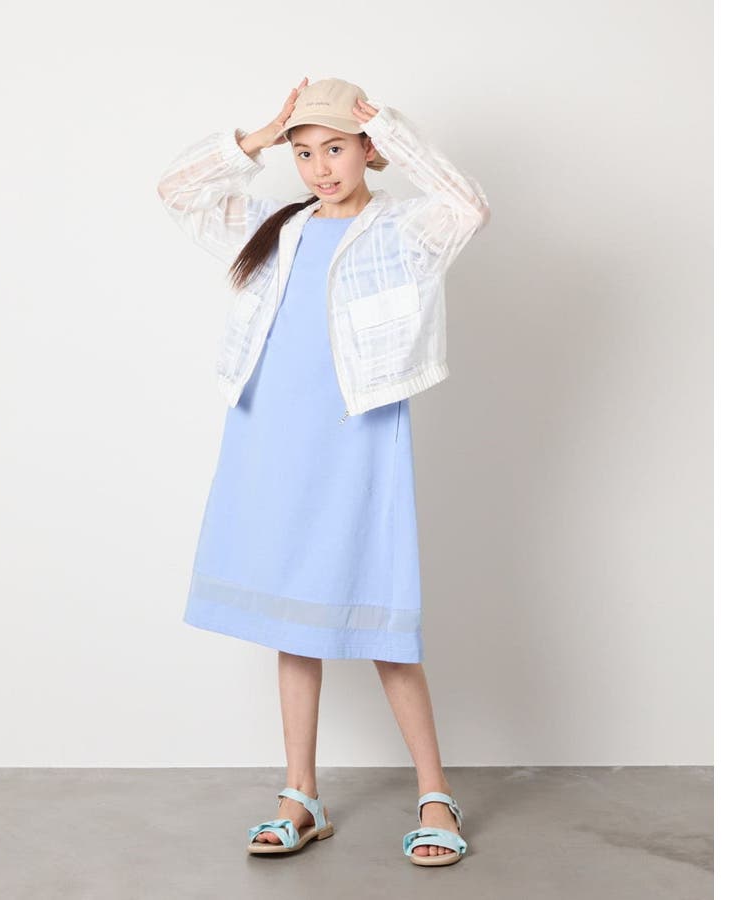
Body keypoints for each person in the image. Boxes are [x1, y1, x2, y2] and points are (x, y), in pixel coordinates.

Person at [156, 76, 489, 867]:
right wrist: (259, 134)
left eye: (335, 148)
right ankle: (300, 796)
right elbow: (175, 190)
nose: (319, 167)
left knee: (380, 617)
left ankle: (435, 793)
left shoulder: (403, 230)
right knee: (290, 620)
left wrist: (396, 131)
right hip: (267, 433)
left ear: (367, 149)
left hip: (356, 434)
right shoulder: (277, 228)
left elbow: (470, 206)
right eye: (303, 153)